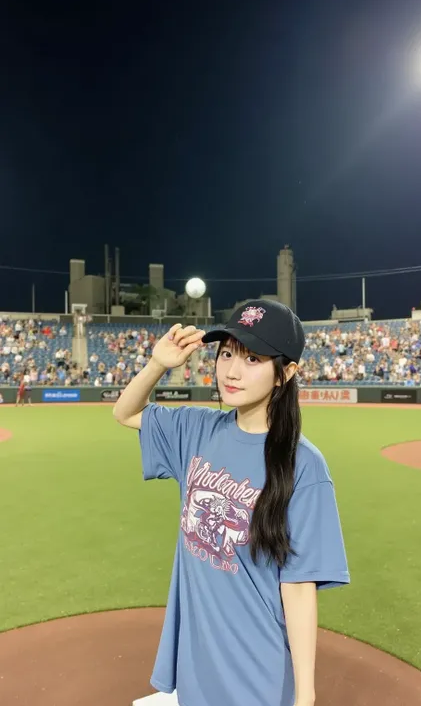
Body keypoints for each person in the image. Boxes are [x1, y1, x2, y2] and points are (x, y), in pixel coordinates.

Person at [113, 299, 350, 706]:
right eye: (226, 353)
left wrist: (305, 697)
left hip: (257, 671)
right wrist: (157, 364)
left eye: (253, 358)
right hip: (196, 657)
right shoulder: (196, 429)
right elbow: (125, 412)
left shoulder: (304, 465)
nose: (231, 371)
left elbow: (298, 588)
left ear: (286, 373)